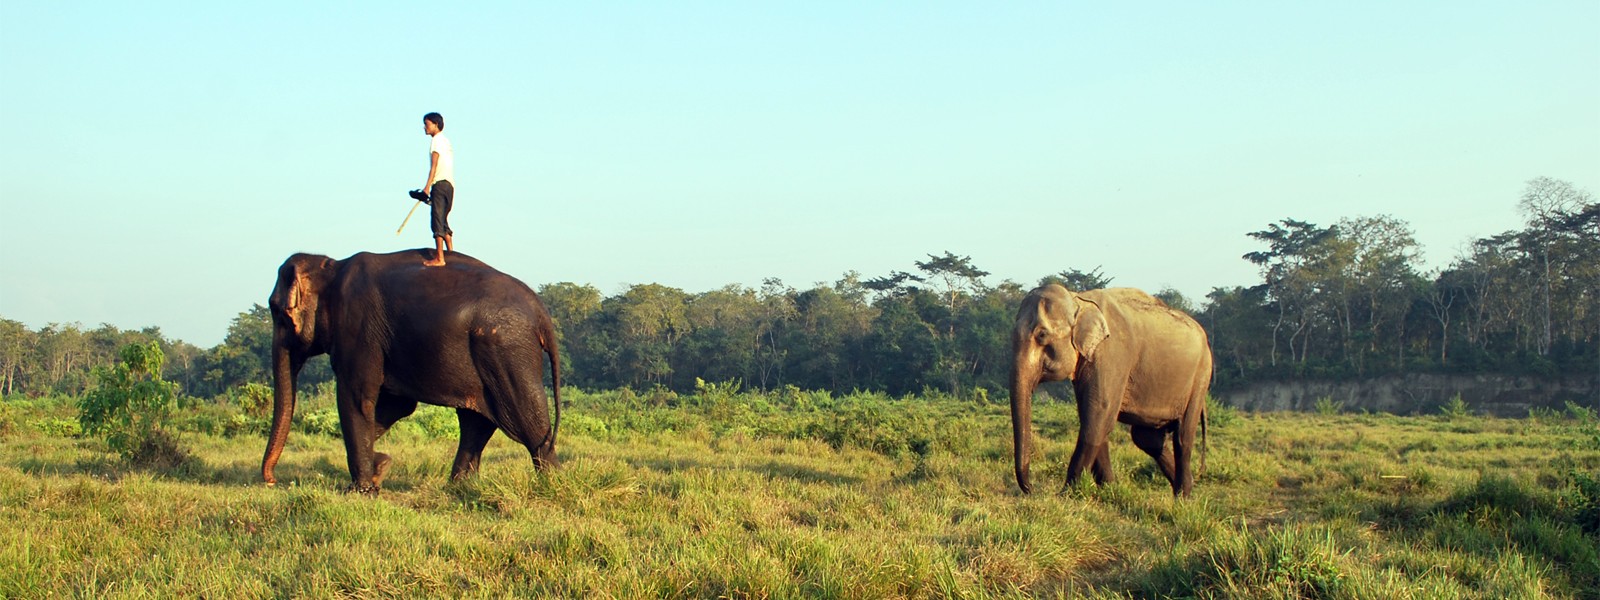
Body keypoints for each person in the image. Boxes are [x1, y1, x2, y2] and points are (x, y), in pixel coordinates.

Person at [420, 112, 455, 266]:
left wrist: (427, 187)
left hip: (439, 184)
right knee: (443, 219)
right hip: (449, 185)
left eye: (426, 124)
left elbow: (434, 166)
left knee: (437, 220)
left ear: (435, 124)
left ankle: (440, 258)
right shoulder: (446, 141)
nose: (424, 127)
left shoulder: (436, 141)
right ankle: (451, 253)